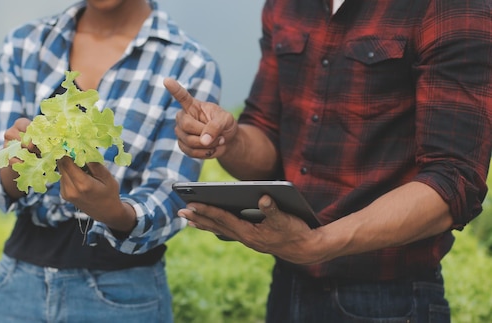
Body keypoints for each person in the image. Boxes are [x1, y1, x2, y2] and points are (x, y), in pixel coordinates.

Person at [163, 0, 491, 321]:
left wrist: (320, 243)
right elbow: (265, 134)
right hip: (289, 286)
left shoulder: (450, 5)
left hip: (391, 299)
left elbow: (453, 180)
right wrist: (228, 140)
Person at [0, 1, 221, 322]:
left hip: (122, 293)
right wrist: (20, 157)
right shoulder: (26, 43)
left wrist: (114, 211)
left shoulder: (189, 63)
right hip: (19, 283)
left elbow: (170, 193)